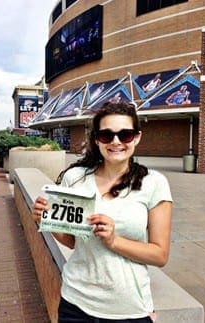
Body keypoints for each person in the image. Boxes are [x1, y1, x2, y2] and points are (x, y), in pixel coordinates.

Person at [31, 102, 172, 322]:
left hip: (128, 309)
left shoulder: (154, 183)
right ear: (97, 140)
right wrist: (47, 220)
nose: (116, 142)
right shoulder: (75, 178)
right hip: (75, 303)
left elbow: (160, 255)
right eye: (107, 135)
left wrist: (114, 241)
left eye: (124, 135)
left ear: (136, 137)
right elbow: (72, 241)